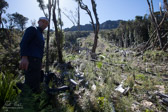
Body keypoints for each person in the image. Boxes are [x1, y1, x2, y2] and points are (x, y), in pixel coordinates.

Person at [19, 17, 49, 93]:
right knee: (30, 83)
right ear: (38, 22)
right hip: (30, 60)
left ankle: (34, 101)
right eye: (43, 22)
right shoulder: (33, 29)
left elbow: (40, 50)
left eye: (47, 23)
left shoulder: (41, 35)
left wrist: (40, 62)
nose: (45, 24)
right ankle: (25, 101)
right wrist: (24, 57)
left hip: (37, 62)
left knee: (36, 82)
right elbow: (24, 42)